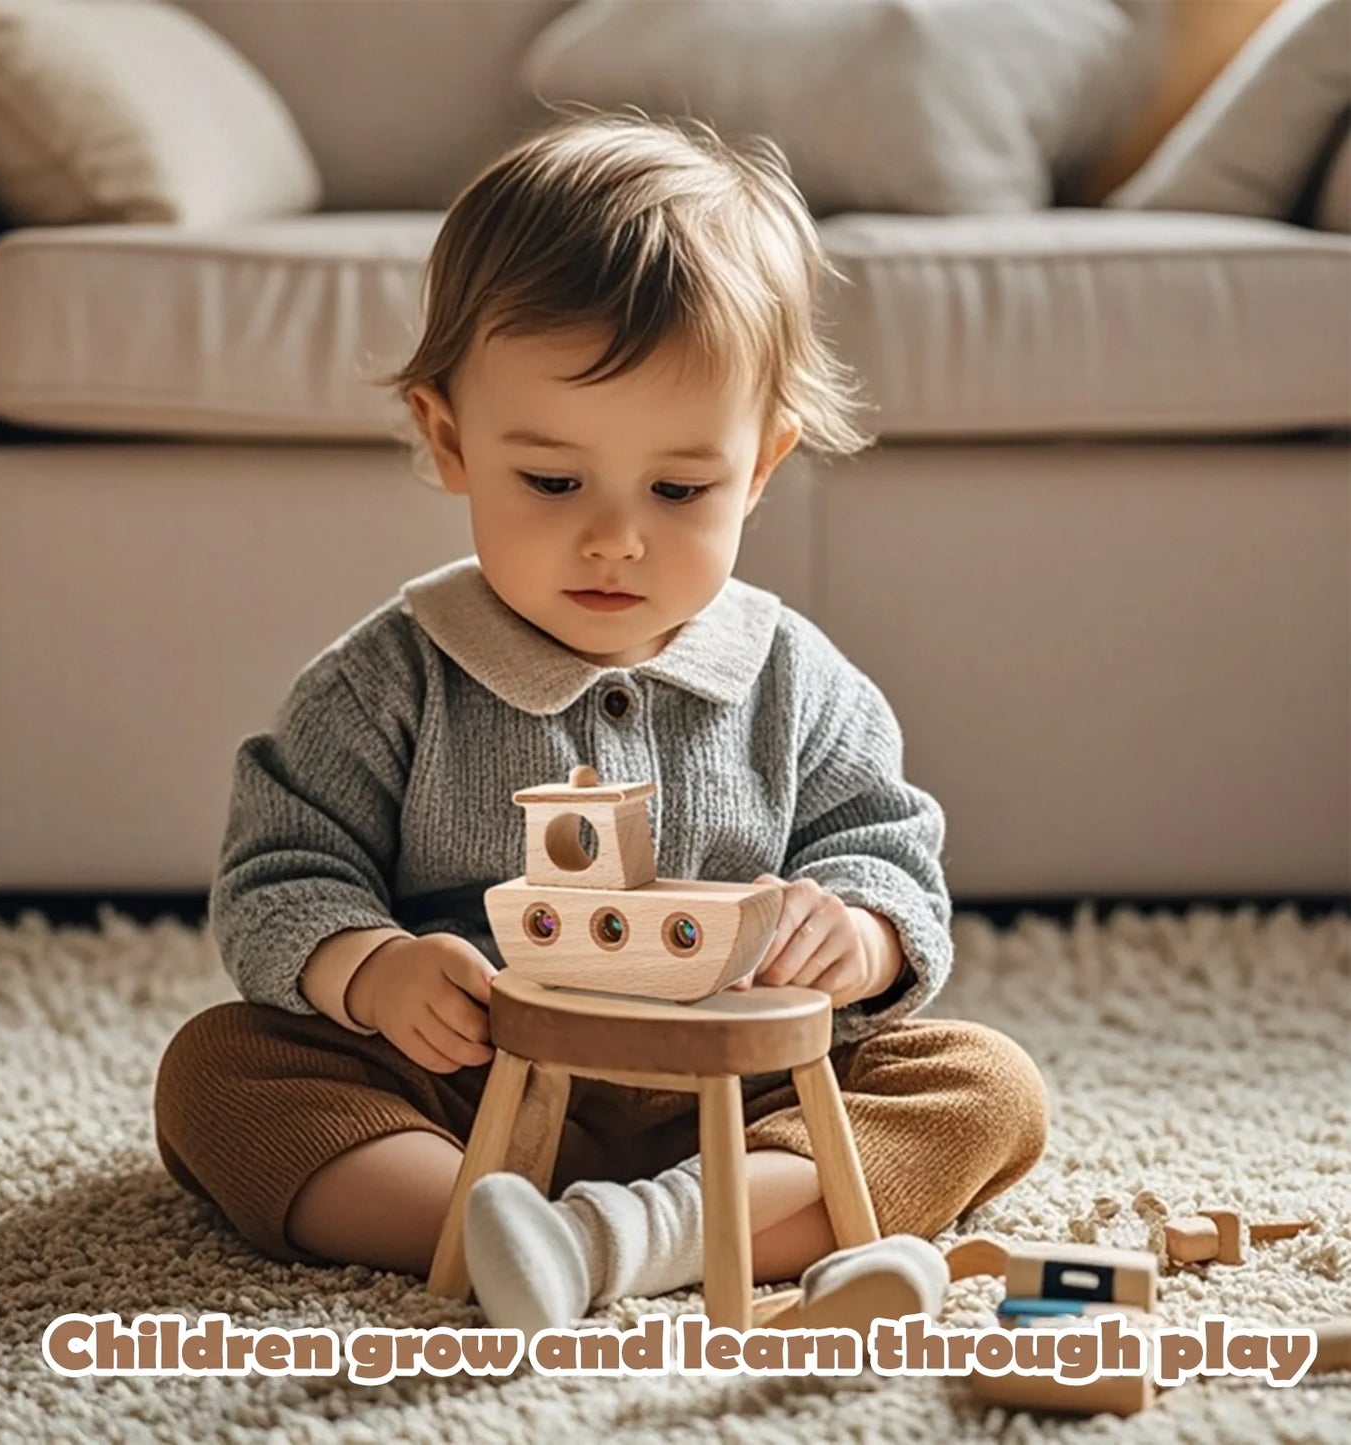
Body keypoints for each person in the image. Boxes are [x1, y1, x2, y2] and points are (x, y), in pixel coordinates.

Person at [154, 106, 1049, 1333]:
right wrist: (372, 971)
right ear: (448, 435)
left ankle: (624, 1240)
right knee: (220, 1073)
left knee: (981, 1087)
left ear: (763, 463)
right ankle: (481, 1219)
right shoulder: (386, 679)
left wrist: (856, 931)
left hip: (734, 1092)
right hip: (466, 1088)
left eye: (680, 489)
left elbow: (885, 850)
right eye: (553, 480)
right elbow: (278, 874)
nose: (614, 536)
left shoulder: (796, 678)